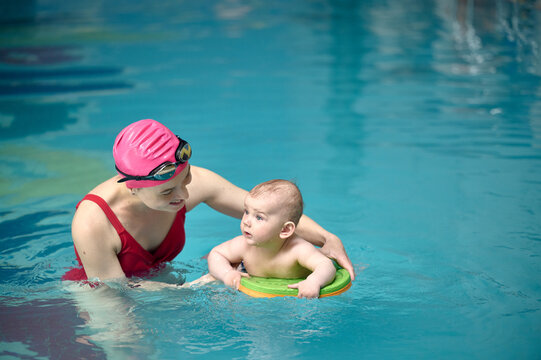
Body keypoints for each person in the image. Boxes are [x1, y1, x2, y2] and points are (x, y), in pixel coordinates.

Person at [63, 119, 354, 287]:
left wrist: (327, 238)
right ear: (132, 187)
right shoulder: (93, 222)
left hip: (161, 283)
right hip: (102, 291)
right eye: (167, 193)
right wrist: (199, 286)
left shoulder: (184, 183)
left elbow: (272, 212)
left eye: (186, 179)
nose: (185, 196)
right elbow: (116, 291)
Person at [207, 179, 337, 298]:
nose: (246, 221)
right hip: (246, 274)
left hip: (291, 291)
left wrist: (313, 281)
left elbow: (326, 265)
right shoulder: (244, 245)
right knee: (208, 281)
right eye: (246, 211)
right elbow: (216, 254)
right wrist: (227, 274)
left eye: (259, 217)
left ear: (285, 230)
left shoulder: (298, 249)